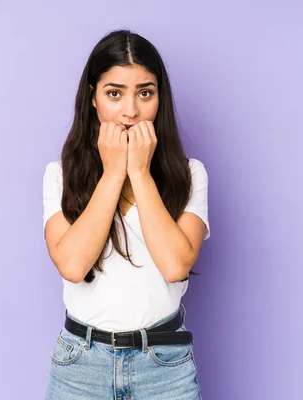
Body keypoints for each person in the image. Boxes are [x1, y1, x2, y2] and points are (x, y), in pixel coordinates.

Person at [42, 29, 210, 400]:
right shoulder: (61, 175)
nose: (130, 110)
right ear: (93, 99)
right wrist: (114, 172)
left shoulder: (190, 175)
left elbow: (174, 266)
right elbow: (71, 265)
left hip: (164, 365)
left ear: (159, 99)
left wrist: (139, 172)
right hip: (80, 366)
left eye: (145, 93)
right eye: (114, 93)